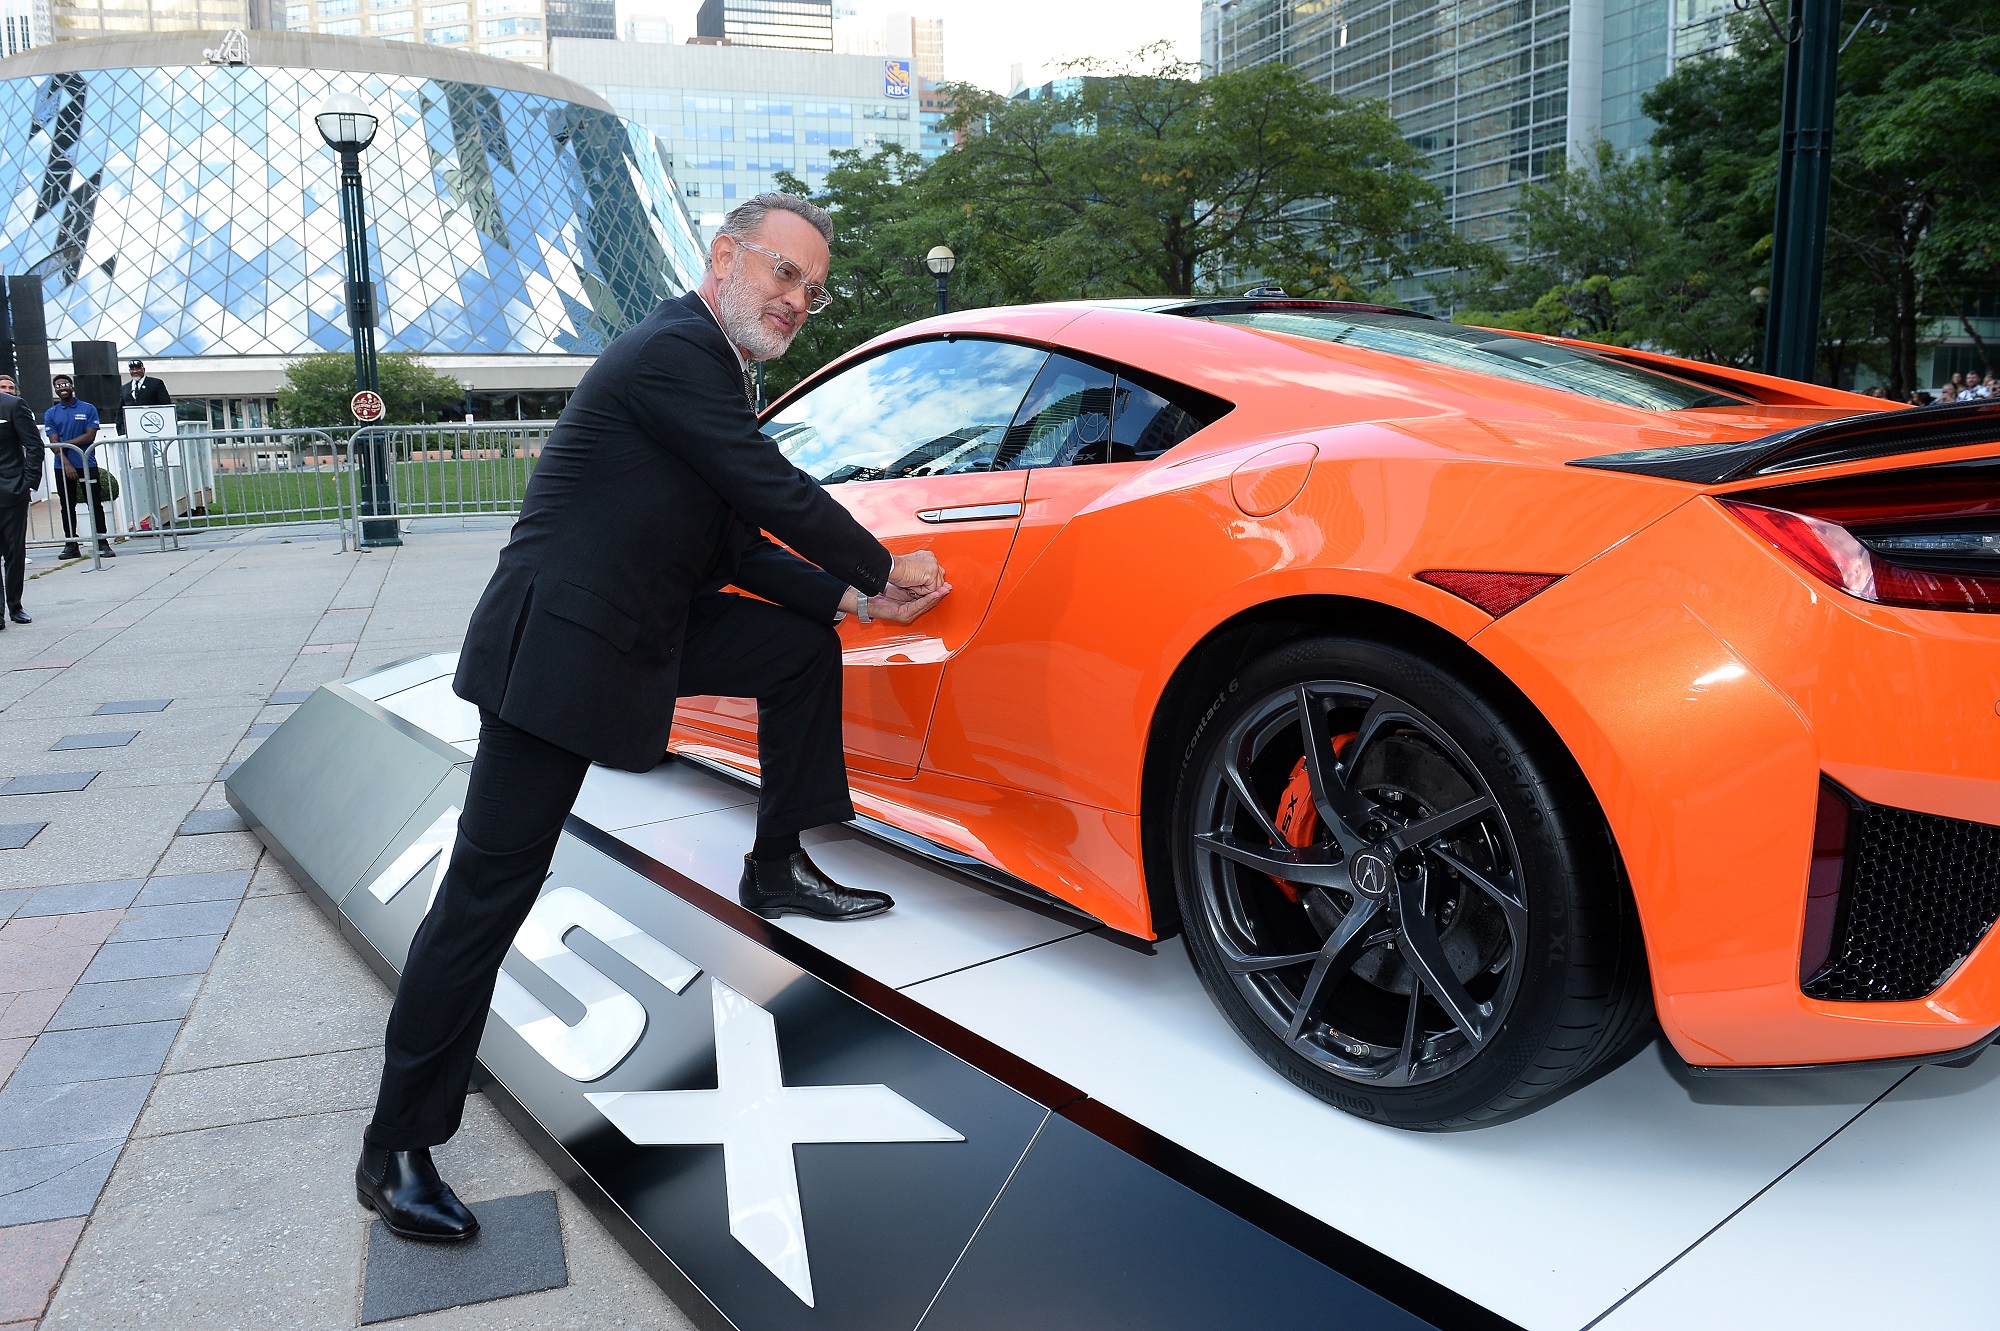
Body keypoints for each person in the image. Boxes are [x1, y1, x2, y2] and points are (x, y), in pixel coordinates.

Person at [355, 193, 952, 1244]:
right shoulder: (673, 351)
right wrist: (879, 564)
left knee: (795, 647)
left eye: (813, 290)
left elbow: (736, 546)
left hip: (642, 628)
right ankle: (395, 1146)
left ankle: (777, 862)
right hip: (559, 651)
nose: (797, 299)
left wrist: (850, 601)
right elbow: (767, 487)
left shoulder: (719, 369)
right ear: (725, 256)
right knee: (486, 898)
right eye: (783, 273)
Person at [43, 375, 111, 560]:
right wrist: (66, 463)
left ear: (72, 387)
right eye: (58, 386)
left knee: (94, 503)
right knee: (67, 506)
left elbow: (89, 436)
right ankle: (71, 544)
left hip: (87, 463)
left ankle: (102, 542)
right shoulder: (51, 413)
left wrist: (65, 444)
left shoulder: (88, 408)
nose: (62, 388)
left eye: (65, 384)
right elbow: (53, 442)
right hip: (62, 466)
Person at [0, 374, 42, 626]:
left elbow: (34, 446)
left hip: (11, 490)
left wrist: (27, 483)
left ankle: (15, 605)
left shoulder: (13, 405)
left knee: (14, 552)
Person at [119, 359, 172, 424]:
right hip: (132, 424)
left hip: (152, 423)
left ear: (143, 369)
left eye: (138, 369)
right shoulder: (125, 388)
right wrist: (120, 426)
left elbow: (166, 405)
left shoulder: (155, 383)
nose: (135, 371)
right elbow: (120, 410)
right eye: (132, 369)